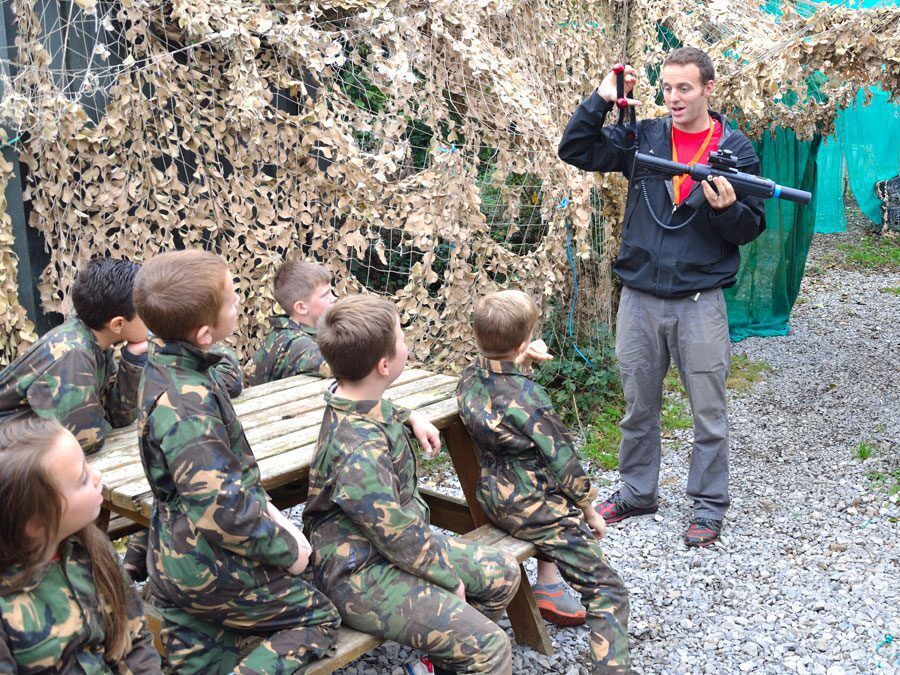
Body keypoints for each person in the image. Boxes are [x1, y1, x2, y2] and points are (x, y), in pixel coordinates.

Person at [558, 47, 766, 547]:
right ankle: (636, 491)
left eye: (685, 88)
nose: (673, 98)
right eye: (667, 88)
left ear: (708, 89)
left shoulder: (735, 149)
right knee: (638, 405)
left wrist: (726, 209)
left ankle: (709, 505)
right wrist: (601, 100)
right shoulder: (643, 136)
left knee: (708, 411)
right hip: (639, 297)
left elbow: (750, 227)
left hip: (700, 301)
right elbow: (576, 150)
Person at [133, 249, 340, 674]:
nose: (240, 303)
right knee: (319, 618)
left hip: (178, 556)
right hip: (206, 566)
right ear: (205, 333)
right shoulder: (186, 408)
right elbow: (222, 511)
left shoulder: (171, 362)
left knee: (201, 662)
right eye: (232, 299)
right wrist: (287, 550)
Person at [304, 295, 521, 674]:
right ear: (385, 364)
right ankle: (467, 651)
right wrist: (444, 578)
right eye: (402, 339)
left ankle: (440, 662)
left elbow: (372, 404)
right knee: (490, 647)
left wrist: (410, 416)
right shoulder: (359, 451)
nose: (407, 345)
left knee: (504, 573)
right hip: (358, 574)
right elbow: (395, 535)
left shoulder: (354, 395)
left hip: (389, 546)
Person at [456, 290, 632, 674]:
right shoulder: (530, 398)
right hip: (536, 511)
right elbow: (565, 465)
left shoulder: (470, 377)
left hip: (493, 498)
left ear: (475, 335)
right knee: (608, 590)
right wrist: (590, 511)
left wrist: (517, 356)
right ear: (522, 343)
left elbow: (489, 363)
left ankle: (549, 588)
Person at [0, 417, 161, 673]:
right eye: (82, 479)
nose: (98, 476)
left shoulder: (90, 548)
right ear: (35, 524)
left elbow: (134, 640)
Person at [0, 257, 148, 453]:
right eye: (146, 312)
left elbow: (117, 416)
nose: (153, 318)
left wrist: (133, 358)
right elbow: (84, 441)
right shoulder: (73, 352)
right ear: (117, 324)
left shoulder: (95, 339)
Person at [248, 259, 335, 386]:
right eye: (326, 295)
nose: (334, 298)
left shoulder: (285, 331)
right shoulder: (297, 344)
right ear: (301, 307)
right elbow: (347, 368)